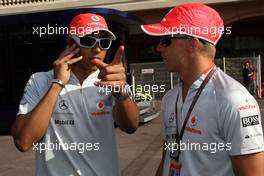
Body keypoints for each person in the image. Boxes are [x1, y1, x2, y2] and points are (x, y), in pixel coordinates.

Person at [141, 3, 264, 176]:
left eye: (166, 40)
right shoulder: (170, 98)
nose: (159, 47)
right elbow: (168, 158)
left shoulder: (234, 100)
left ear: (193, 44)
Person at [11, 13, 139, 176]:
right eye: (88, 40)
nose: (98, 49)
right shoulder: (40, 80)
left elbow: (131, 127)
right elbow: (23, 141)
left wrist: (121, 95)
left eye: (104, 42)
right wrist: (57, 84)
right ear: (71, 43)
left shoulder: (111, 79)